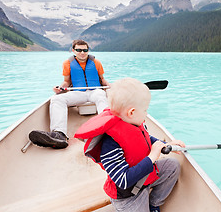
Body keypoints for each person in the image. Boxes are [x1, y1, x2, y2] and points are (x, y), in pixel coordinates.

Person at [74, 78, 185, 212]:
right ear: (131, 112)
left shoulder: (133, 123)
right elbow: (123, 181)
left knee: (172, 167)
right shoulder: (111, 143)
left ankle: (154, 203)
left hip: (144, 180)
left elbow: (145, 139)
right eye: (145, 110)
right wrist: (152, 157)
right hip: (127, 197)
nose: (146, 114)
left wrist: (166, 144)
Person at [29, 39, 110, 149]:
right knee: (57, 99)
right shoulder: (67, 63)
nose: (82, 52)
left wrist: (111, 86)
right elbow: (67, 81)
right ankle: (59, 135)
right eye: (79, 50)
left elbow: (102, 79)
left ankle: (106, 130)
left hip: (95, 91)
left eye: (85, 50)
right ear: (73, 50)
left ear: (88, 50)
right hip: (78, 93)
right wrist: (60, 88)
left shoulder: (96, 62)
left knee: (101, 96)